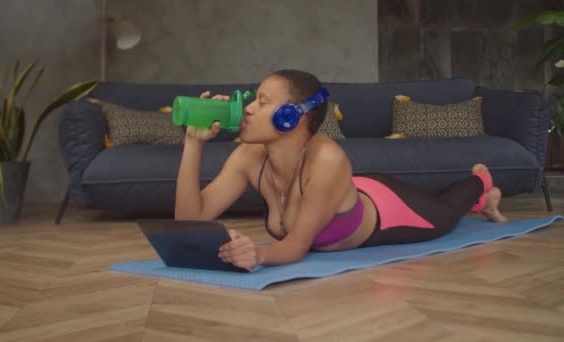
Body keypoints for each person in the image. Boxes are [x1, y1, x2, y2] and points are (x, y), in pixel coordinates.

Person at [174, 69, 508, 271]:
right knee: (435, 200)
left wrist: (258, 255)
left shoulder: (327, 159)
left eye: (262, 102)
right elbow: (189, 223)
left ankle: (482, 187)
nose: (247, 108)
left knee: (446, 214)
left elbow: (296, 247)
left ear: (291, 117)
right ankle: (481, 193)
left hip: (385, 210)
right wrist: (193, 144)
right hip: (347, 190)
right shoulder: (248, 157)